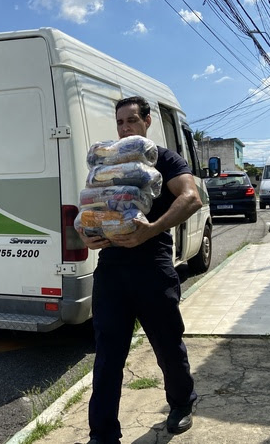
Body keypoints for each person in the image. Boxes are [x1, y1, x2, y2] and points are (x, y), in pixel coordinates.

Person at [79, 96, 202, 444]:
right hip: (112, 268)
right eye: (120, 122)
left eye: (131, 121)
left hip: (152, 264)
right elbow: (91, 206)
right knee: (107, 354)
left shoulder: (163, 159)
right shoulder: (110, 163)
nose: (124, 128)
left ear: (147, 122)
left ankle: (181, 403)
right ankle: (102, 434)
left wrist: (152, 228)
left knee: (167, 345)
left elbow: (191, 198)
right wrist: (86, 231)